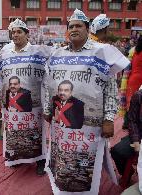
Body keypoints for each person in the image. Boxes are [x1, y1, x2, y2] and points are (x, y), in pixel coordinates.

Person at [42, 9, 130, 194]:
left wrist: (108, 119)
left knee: (86, 160)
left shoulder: (101, 52)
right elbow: (47, 84)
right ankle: (64, 188)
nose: (74, 29)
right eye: (71, 26)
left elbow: (110, 88)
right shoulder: (57, 54)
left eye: (78, 26)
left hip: (90, 124)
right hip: (62, 123)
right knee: (63, 157)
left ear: (87, 29)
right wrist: (47, 109)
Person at [0, 18, 53, 175]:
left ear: (27, 34)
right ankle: (17, 158)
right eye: (13, 32)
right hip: (11, 104)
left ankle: (40, 161)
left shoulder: (39, 52)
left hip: (34, 104)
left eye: (19, 32)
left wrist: (47, 105)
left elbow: (47, 80)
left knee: (35, 132)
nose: (15, 35)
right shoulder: (5, 53)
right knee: (15, 132)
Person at [111, 86, 142, 176]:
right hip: (139, 135)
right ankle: (127, 174)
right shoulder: (138, 96)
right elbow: (132, 121)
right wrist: (136, 141)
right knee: (117, 151)